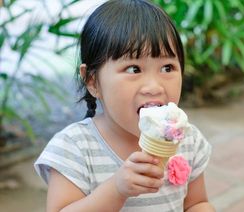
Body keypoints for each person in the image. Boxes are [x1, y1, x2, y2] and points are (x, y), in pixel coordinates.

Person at [34, 0, 214, 211]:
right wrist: (117, 189)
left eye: (167, 67)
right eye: (133, 69)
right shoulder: (74, 149)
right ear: (92, 81)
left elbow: (197, 203)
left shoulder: (188, 140)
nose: (154, 86)